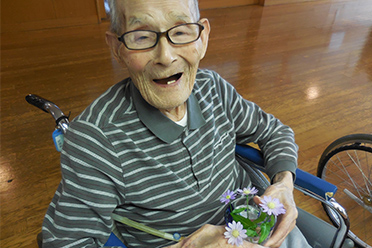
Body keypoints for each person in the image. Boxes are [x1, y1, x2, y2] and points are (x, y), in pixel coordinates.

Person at [42, 0, 311, 247]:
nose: (166, 56)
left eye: (181, 31)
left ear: (203, 37)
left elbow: (275, 131)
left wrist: (284, 184)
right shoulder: (96, 140)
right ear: (117, 48)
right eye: (143, 36)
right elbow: (65, 242)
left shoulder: (214, 89)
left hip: (258, 227)